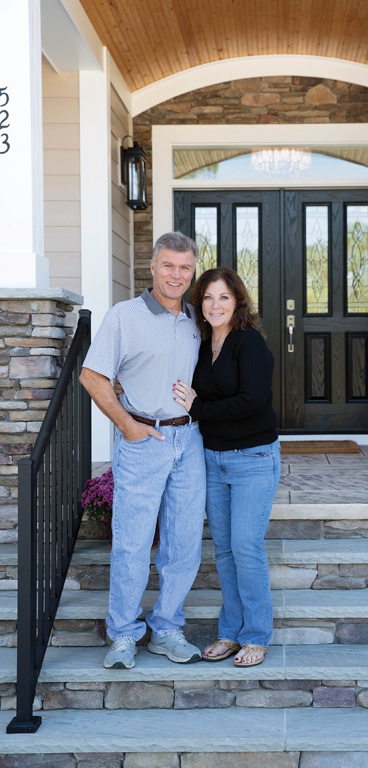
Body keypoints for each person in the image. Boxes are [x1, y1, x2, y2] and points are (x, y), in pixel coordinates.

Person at [79, 232, 206, 669]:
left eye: (185, 267)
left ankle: (167, 628)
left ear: (193, 271)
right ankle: (123, 635)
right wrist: (128, 426)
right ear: (152, 267)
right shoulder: (124, 317)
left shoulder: (196, 318)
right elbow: (93, 376)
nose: (177, 275)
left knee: (184, 541)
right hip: (143, 440)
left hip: (188, 441)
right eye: (168, 265)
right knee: (132, 543)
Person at [173, 267, 281, 667]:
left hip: (253, 458)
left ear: (238, 302)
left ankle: (256, 635)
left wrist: (199, 408)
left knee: (246, 547)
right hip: (213, 460)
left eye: (223, 297)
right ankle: (231, 633)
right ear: (199, 304)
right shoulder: (202, 343)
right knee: (223, 550)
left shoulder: (249, 343)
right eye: (207, 298)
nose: (215, 305)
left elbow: (251, 400)